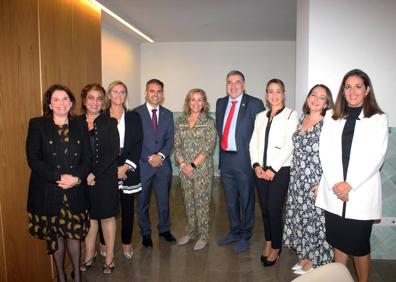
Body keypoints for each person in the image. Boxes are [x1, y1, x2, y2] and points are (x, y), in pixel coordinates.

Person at [316, 69, 388, 282]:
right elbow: (325, 151)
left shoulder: (378, 119)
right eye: (348, 87)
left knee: (359, 246)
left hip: (360, 192)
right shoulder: (332, 116)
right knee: (338, 242)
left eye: (358, 86)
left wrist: (349, 185)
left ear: (367, 90)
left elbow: (377, 156)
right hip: (335, 191)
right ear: (343, 91)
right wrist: (337, 185)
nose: (352, 91)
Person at [26, 84, 90, 282]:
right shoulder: (37, 124)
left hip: (74, 191)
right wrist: (58, 177)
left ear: (71, 103)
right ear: (50, 104)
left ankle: (77, 276)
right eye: (56, 99)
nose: (61, 103)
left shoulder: (80, 124)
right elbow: (33, 159)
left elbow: (87, 158)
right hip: (49, 191)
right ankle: (61, 277)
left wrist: (77, 178)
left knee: (73, 236)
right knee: (56, 237)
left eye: (65, 99)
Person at [283, 84, 334, 275]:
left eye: (322, 97)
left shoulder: (327, 123)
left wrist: (323, 183)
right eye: (313, 94)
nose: (316, 99)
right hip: (297, 179)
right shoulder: (302, 119)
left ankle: (316, 260)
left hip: (314, 180)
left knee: (315, 221)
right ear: (308, 98)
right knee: (300, 219)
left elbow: (332, 156)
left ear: (326, 103)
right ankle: (305, 257)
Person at [249, 78, 298, 266]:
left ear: (284, 94)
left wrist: (273, 168)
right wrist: (256, 165)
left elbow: (290, 145)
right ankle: (268, 240)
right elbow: (253, 142)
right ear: (266, 94)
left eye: (278, 91)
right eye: (270, 91)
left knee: (274, 209)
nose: (274, 95)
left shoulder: (291, 115)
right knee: (265, 210)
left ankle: (277, 246)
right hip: (261, 170)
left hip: (281, 170)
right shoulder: (260, 115)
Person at [216, 70, 265, 253]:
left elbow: (260, 135)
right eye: (230, 82)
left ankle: (246, 235)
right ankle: (234, 231)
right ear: (226, 84)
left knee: (246, 200)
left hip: (244, 160)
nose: (233, 85)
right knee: (230, 201)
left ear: (244, 85)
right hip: (226, 159)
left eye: (237, 82)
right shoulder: (221, 103)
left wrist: (258, 162)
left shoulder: (254, 103)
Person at [77, 84, 119, 274]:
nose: (95, 102)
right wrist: (85, 175)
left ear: (103, 102)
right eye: (91, 98)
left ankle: (109, 258)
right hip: (84, 178)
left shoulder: (109, 122)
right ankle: (89, 254)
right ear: (84, 101)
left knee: (107, 217)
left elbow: (112, 152)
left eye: (99, 98)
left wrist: (94, 174)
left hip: (105, 177)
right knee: (90, 217)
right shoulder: (75, 123)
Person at [174, 89, 217, 251]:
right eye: (193, 100)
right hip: (184, 168)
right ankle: (190, 232)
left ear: (204, 103)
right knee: (188, 202)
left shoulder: (209, 122)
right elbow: (177, 145)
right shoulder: (180, 121)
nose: (196, 103)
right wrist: (183, 165)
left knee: (202, 203)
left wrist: (191, 166)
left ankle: (203, 236)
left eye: (200, 100)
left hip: (202, 170)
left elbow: (208, 147)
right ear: (188, 102)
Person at [135, 79, 176, 247]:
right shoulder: (136, 113)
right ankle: (145, 232)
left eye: (159, 91)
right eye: (152, 91)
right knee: (143, 202)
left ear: (163, 94)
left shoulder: (168, 114)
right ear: (146, 93)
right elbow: (135, 140)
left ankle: (164, 229)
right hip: (144, 166)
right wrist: (149, 158)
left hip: (162, 166)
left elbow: (170, 139)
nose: (155, 94)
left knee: (163, 200)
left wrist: (161, 156)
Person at [105, 81, 143, 260]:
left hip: (128, 165)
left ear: (126, 96)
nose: (118, 95)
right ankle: (104, 242)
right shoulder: (101, 116)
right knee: (106, 208)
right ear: (109, 95)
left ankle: (126, 243)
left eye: (122, 92)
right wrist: (113, 168)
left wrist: (125, 166)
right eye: (115, 92)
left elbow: (138, 144)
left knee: (127, 208)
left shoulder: (133, 117)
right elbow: (99, 146)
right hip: (107, 165)